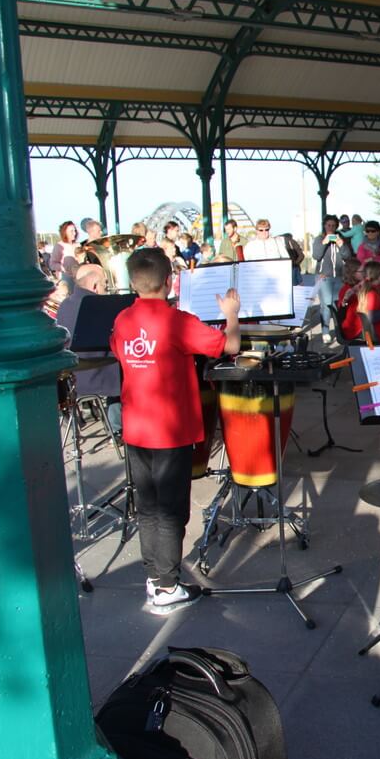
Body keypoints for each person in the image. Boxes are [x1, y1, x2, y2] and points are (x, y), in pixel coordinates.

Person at [111, 248, 241, 614]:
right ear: (170, 282)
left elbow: (121, 353)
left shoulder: (122, 319)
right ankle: (167, 588)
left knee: (148, 508)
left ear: (133, 283)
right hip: (170, 430)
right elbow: (229, 346)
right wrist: (231, 315)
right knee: (170, 512)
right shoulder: (177, 321)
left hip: (136, 428)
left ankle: (156, 577)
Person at [56, 264, 122, 433]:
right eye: (105, 285)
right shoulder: (101, 306)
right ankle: (117, 427)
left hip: (72, 376)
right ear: (94, 285)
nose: (107, 289)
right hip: (98, 374)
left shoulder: (64, 304)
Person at [313, 215, 355, 343]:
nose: (330, 228)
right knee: (326, 305)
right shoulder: (319, 239)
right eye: (328, 225)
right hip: (324, 277)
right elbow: (316, 255)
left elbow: (348, 256)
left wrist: (341, 244)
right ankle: (325, 332)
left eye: (333, 225)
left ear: (337, 227)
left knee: (338, 305)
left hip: (339, 277)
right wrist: (324, 243)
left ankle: (338, 330)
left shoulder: (341, 238)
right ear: (324, 226)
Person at [341, 260, 380, 343]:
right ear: (378, 276)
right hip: (377, 334)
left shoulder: (368, 288)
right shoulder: (371, 294)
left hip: (374, 330)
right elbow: (371, 316)